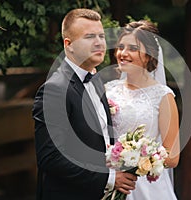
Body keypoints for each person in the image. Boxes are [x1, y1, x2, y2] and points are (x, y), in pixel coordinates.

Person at [32, 8, 137, 200]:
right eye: (89, 37)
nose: (99, 43)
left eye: (101, 36)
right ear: (68, 44)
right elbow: (50, 158)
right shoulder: (55, 89)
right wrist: (110, 178)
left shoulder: (97, 82)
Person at [105, 20, 180, 199]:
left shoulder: (163, 96)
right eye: (120, 47)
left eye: (132, 48)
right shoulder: (108, 90)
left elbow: (172, 157)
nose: (123, 53)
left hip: (147, 187)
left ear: (148, 56)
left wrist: (135, 158)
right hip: (112, 181)